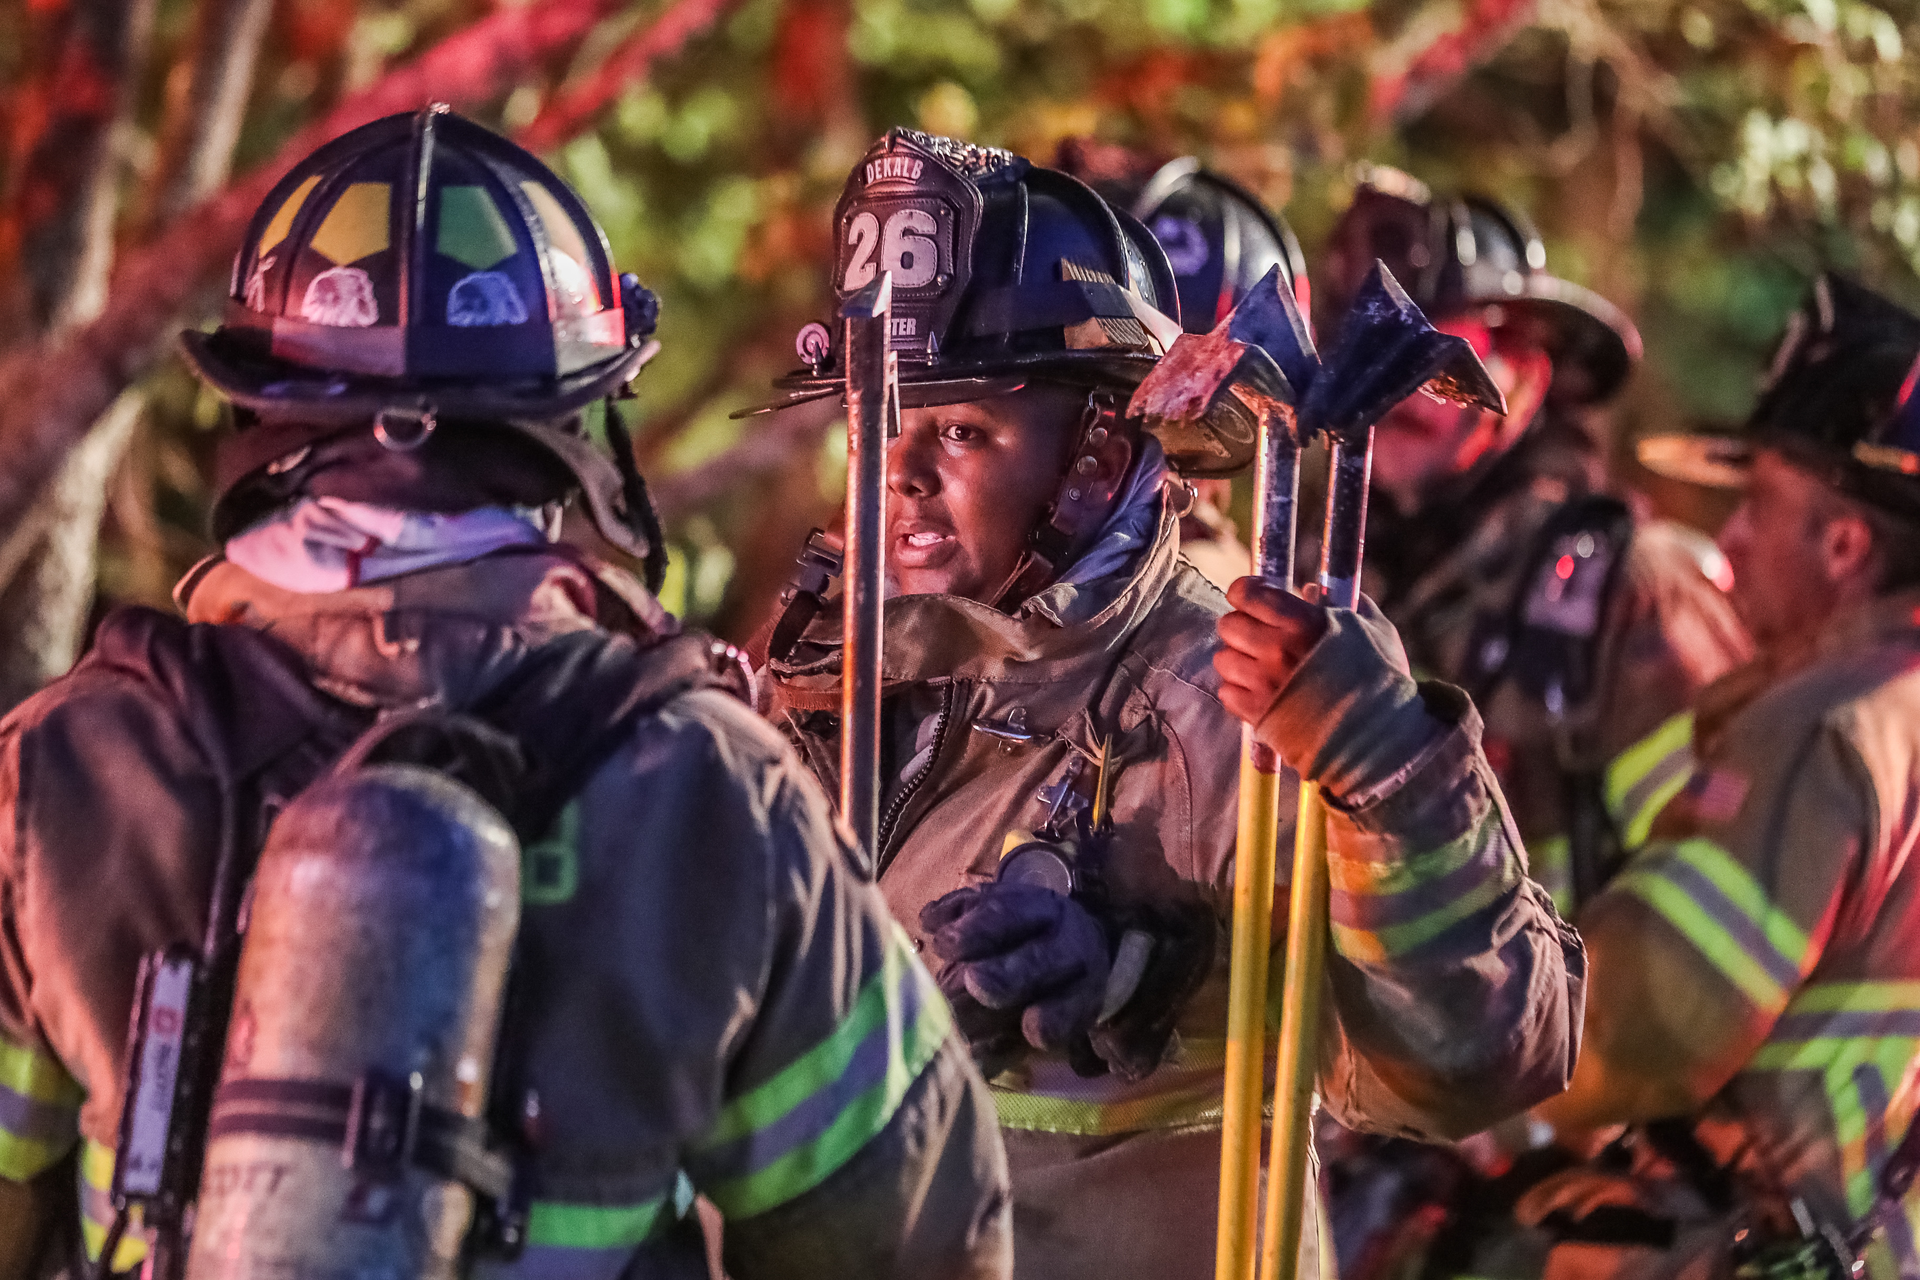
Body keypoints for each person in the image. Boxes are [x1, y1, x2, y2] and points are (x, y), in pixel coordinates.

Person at [0, 109, 1010, 1280]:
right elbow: (918, 1242)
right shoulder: (712, 794)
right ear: (576, 425)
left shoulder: (65, 772)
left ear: (257, 413)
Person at [757, 127, 1585, 1280]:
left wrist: (1388, 771)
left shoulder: (1233, 695)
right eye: (876, 421)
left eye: (959, 427)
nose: (896, 472)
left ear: (1099, 454)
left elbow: (1489, 1057)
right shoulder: (832, 669)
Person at [1492, 274, 1920, 1280]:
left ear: (1847, 541)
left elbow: (1625, 1034)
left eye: (1760, 502)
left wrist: (1428, 1045)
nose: (1729, 539)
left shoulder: (1824, 727)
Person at [1319, 167, 1752, 916]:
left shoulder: (1630, 591)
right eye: (1372, 346)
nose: (1391, 388)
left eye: (1431, 353)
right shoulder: (1319, 569)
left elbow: (1716, 896)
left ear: (1525, 375)